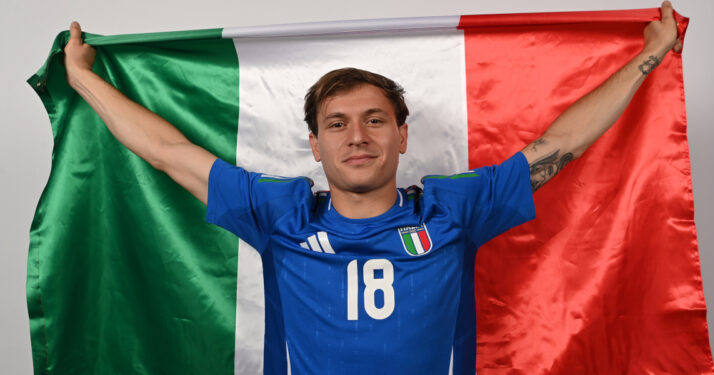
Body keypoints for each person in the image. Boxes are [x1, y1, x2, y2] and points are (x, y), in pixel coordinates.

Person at [63, 2, 682, 374]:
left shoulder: (454, 209)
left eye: (374, 120)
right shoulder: (279, 213)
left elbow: (560, 145)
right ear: (315, 145)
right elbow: (170, 153)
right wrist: (83, 80)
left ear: (403, 136)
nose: (356, 136)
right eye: (337, 124)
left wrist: (648, 57)